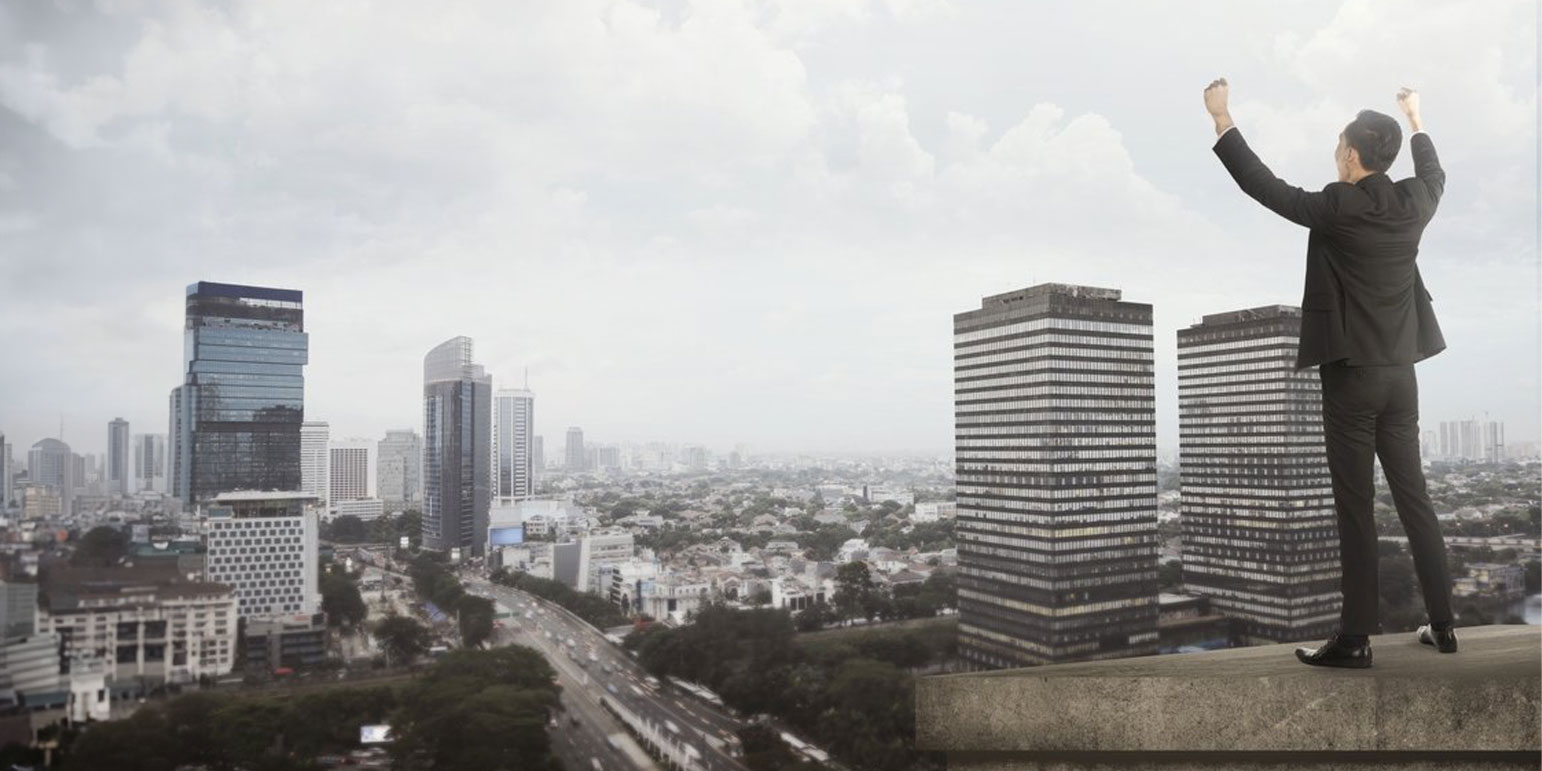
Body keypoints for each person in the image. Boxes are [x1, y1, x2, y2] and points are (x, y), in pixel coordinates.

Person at [1203, 78, 1457, 668]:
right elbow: (1435, 171)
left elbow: (1265, 188)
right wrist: (1416, 118)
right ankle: (1444, 626)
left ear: (1349, 155)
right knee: (1415, 498)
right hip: (1402, 375)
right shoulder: (1417, 200)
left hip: (1352, 376)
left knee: (1356, 506)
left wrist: (1222, 119)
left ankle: (1355, 639)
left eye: (1338, 146)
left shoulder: (1339, 205)